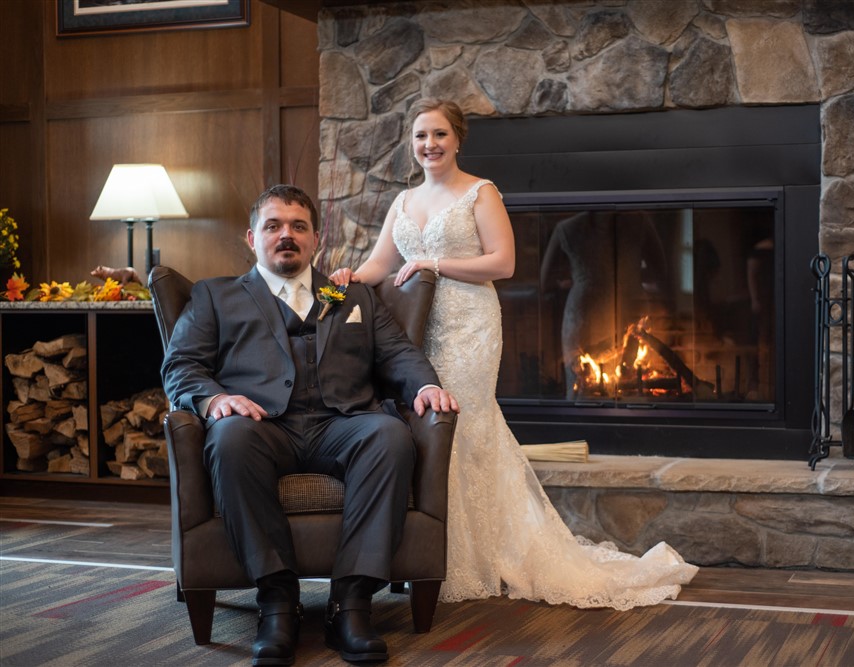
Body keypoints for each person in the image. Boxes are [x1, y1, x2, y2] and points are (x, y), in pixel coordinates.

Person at [331, 98, 698, 612]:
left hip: (468, 324)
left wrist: (434, 260)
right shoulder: (403, 202)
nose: (429, 145)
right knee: (424, 428)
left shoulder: (480, 192)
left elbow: (503, 263)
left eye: (438, 134)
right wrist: (346, 277)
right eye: (419, 136)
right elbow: (379, 265)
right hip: (415, 333)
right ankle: (429, 553)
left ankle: (473, 555)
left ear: (457, 139)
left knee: (466, 425)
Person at [160, 184, 458, 666]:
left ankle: (351, 604)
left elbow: (399, 353)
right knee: (229, 438)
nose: (286, 235)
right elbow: (181, 367)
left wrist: (425, 387)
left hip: (340, 423)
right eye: (273, 226)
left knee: (389, 435)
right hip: (260, 427)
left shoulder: (351, 292)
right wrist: (216, 399)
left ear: (316, 239)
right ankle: (277, 601)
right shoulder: (214, 296)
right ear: (251, 237)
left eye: (298, 226)